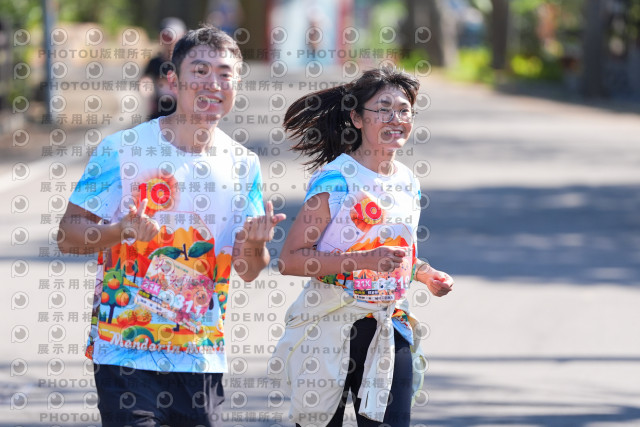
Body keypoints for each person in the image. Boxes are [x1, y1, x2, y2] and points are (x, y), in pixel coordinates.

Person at [58, 25, 285, 426]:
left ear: (236, 84)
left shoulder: (243, 164)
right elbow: (68, 235)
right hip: (125, 350)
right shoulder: (123, 149)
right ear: (172, 80)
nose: (213, 83)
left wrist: (254, 244)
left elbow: (248, 269)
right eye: (199, 71)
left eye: (225, 74)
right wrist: (119, 232)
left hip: (200, 355)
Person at [271, 67, 454, 427]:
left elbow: (400, 255)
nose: (396, 119)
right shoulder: (337, 180)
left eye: (404, 110)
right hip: (329, 325)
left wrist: (425, 274)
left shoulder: (407, 181)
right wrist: (364, 260)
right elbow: (290, 260)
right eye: (383, 109)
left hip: (388, 326)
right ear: (356, 118)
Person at [141, 17, 186, 119]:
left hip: (181, 114)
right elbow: (146, 78)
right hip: (158, 113)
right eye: (166, 37)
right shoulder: (155, 62)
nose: (170, 41)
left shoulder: (186, 63)